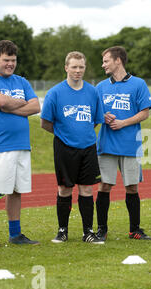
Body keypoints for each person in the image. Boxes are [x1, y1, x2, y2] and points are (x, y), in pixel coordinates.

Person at [0, 40, 41, 247]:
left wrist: (10, 106)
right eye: (6, 60)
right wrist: (13, 103)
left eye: (13, 60)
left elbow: (35, 106)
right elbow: (1, 102)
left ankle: (15, 234)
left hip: (21, 145)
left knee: (16, 190)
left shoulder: (21, 82)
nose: (10, 64)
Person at [40, 51, 105, 244]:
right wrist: (65, 134)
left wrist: (81, 133)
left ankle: (88, 232)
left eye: (81, 67)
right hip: (64, 147)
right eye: (74, 67)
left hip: (88, 146)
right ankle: (62, 231)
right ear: (66, 68)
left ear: (85, 68)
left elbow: (95, 121)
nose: (78, 71)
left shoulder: (92, 92)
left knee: (86, 189)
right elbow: (45, 123)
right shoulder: (55, 93)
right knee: (65, 189)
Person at [95, 46, 151, 241]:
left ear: (118, 60)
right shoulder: (101, 87)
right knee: (104, 186)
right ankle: (101, 230)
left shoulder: (138, 84)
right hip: (106, 146)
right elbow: (94, 113)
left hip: (130, 145)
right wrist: (103, 116)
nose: (103, 64)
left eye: (106, 61)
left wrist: (123, 123)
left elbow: (145, 113)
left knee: (132, 187)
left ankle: (134, 230)